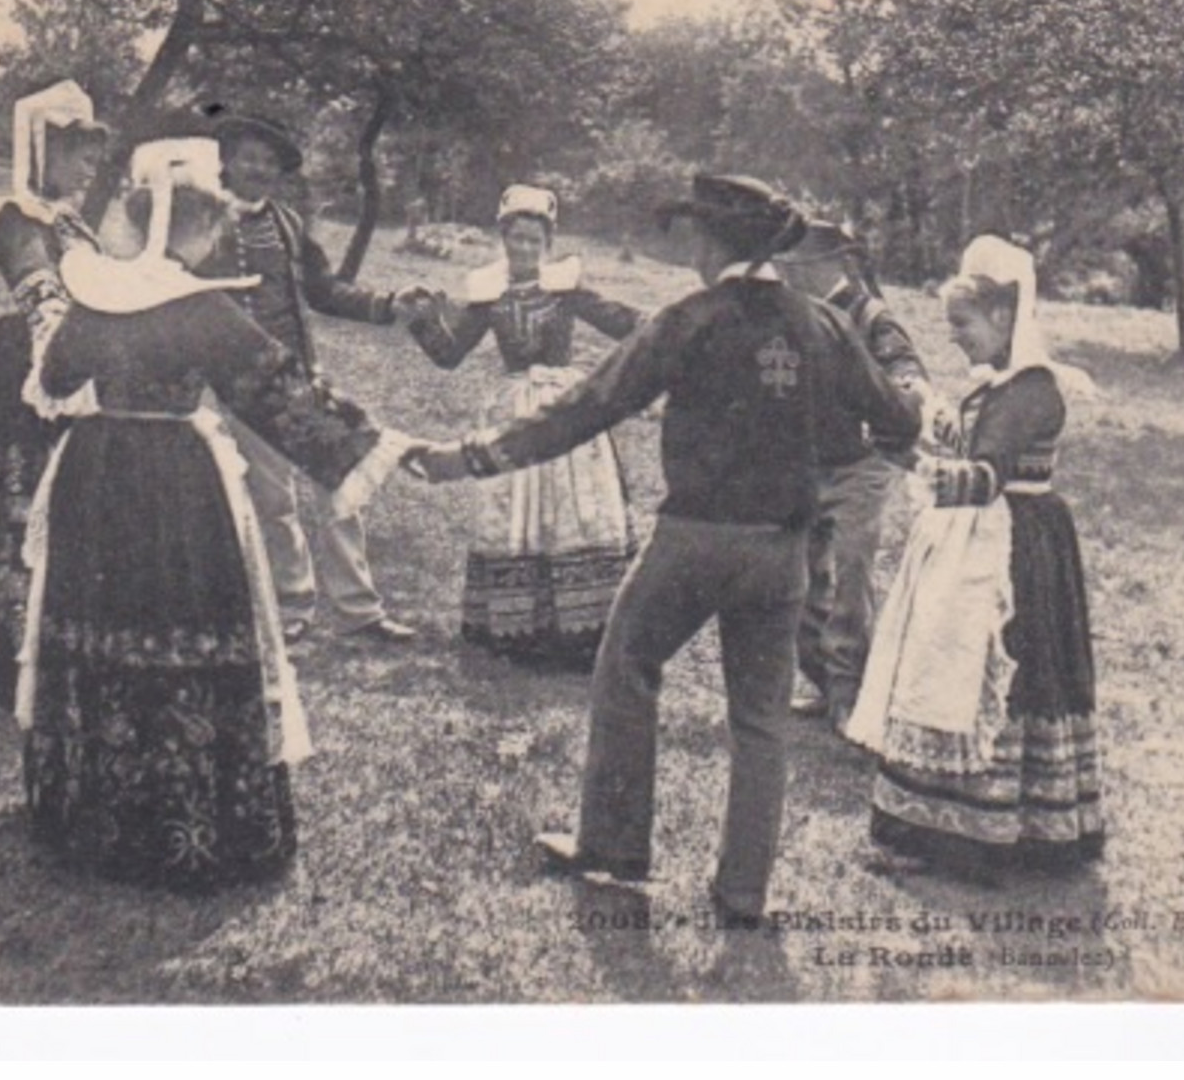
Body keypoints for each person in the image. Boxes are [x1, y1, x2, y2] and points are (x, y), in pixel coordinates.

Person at [409, 175, 922, 924]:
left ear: (711, 242)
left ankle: (613, 850)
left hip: (692, 540)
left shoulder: (690, 317)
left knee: (625, 667)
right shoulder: (823, 325)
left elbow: (589, 405)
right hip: (781, 550)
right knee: (760, 717)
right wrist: (875, 432)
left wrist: (476, 456)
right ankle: (743, 890)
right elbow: (896, 416)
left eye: (691, 234)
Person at [13, 138, 416, 892]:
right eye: (214, 226)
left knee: (99, 622)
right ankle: (182, 813)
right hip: (175, 480)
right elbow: (279, 392)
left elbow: (56, 375)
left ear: (138, 219)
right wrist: (373, 446)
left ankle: (90, 806)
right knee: (181, 621)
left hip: (93, 473)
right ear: (196, 227)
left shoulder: (99, 294)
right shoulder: (204, 309)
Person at [843, 234, 1102, 882]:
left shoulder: (1031, 388)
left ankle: (987, 829)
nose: (954, 337)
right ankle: (945, 822)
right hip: (980, 538)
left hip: (1013, 548)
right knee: (946, 668)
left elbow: (985, 477)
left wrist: (912, 464)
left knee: (989, 671)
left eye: (962, 323)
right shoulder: (999, 384)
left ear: (1004, 317)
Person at [188, 111, 421, 645]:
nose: (258, 169)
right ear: (225, 160)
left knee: (340, 481)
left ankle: (360, 610)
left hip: (299, 378)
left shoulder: (289, 224)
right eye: (249, 157)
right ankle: (293, 607)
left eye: (269, 162)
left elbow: (325, 291)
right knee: (273, 500)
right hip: (240, 385)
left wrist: (387, 305)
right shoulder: (199, 219)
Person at [397, 184, 643, 670]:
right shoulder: (488, 295)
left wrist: (676, 329)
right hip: (513, 410)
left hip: (564, 408)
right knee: (515, 512)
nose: (525, 250)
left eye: (534, 240)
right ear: (502, 239)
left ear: (548, 244)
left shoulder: (566, 288)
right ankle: (517, 629)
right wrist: (420, 321)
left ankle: (582, 629)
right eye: (516, 239)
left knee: (575, 510)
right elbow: (449, 355)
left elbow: (623, 322)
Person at [0, 80, 108, 709]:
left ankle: (51, 646)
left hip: (74, 365)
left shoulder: (72, 221)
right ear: (42, 150)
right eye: (78, 151)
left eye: (94, 153)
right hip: (32, 371)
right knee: (18, 503)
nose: (89, 165)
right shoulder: (15, 217)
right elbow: (39, 294)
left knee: (66, 505)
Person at [774, 221, 929, 729]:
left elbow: (908, 375)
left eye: (793, 267)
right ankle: (822, 681)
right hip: (805, 462)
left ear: (827, 266)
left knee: (851, 576)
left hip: (860, 466)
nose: (783, 274)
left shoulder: (870, 316)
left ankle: (850, 694)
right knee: (800, 576)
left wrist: (902, 393)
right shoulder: (794, 314)